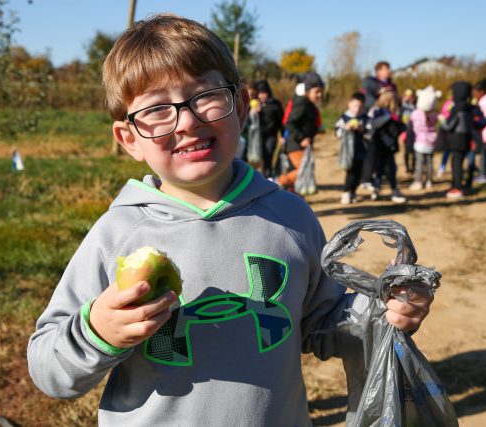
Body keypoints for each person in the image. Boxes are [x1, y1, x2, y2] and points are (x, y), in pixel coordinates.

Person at [26, 14, 433, 426]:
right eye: (157, 109)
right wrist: (97, 331)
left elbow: (322, 323)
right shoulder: (118, 234)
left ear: (239, 108)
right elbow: (49, 372)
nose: (187, 121)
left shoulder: (290, 218)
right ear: (130, 139)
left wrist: (383, 312)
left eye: (205, 95)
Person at [278, 72, 324, 191]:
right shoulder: (302, 103)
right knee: (302, 170)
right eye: (317, 92)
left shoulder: (311, 105)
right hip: (295, 144)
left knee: (303, 170)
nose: (320, 95)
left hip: (303, 145)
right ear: (308, 91)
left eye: (321, 92)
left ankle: (292, 197)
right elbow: (289, 123)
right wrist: (302, 138)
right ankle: (276, 182)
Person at [440, 81, 482, 199]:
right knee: (467, 162)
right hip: (469, 137)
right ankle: (466, 184)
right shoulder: (471, 107)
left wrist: (442, 121)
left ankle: (457, 188)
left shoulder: (456, 108)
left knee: (456, 164)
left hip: (457, 139)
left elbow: (449, 125)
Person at [360, 61, 398, 190]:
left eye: (389, 68)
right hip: (375, 124)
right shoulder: (370, 83)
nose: (389, 71)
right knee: (372, 154)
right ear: (378, 71)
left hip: (389, 126)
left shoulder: (392, 85)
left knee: (387, 154)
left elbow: (396, 104)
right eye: (386, 68)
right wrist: (380, 92)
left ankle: (384, 178)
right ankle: (369, 178)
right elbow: (368, 100)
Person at [367, 91, 407, 204]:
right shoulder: (378, 112)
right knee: (385, 169)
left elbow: (399, 128)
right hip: (381, 146)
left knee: (390, 168)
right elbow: (374, 124)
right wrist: (388, 117)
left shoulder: (394, 114)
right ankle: (384, 190)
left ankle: (384, 190)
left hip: (390, 146)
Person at [335, 92, 368, 204]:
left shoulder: (364, 118)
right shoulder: (344, 118)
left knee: (358, 172)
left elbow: (369, 132)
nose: (357, 109)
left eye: (360, 106)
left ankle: (353, 192)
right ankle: (346, 192)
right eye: (355, 106)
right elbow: (337, 132)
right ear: (349, 105)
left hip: (361, 150)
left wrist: (361, 128)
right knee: (351, 172)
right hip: (348, 151)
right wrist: (346, 127)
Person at [409, 86, 441, 190]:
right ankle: (429, 181)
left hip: (420, 142)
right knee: (429, 163)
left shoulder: (416, 113)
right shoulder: (434, 114)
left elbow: (412, 123)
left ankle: (418, 181)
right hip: (431, 141)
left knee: (419, 163)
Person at [254, 80, 284, 178]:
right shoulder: (254, 105)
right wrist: (255, 112)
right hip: (258, 136)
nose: (262, 96)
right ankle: (262, 177)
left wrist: (283, 135)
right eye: (260, 93)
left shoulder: (275, 104)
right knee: (260, 157)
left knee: (269, 154)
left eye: (264, 93)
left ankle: (269, 176)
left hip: (271, 135)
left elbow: (281, 122)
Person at [400, 88, 417, 175]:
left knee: (414, 150)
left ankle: (413, 168)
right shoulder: (402, 105)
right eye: (407, 96)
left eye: (410, 96)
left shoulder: (416, 105)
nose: (409, 98)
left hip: (414, 130)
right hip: (405, 129)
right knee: (406, 151)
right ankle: (407, 168)